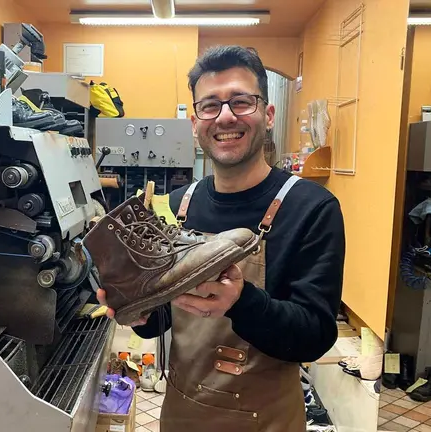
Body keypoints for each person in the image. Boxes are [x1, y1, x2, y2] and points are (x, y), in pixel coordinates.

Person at [97, 45, 345, 431]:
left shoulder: (311, 208)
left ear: (268, 113)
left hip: (266, 422)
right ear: (196, 123)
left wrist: (241, 301)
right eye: (210, 105)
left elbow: (315, 335)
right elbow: (161, 319)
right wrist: (138, 308)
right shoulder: (178, 205)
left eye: (241, 101)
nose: (225, 116)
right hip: (182, 414)